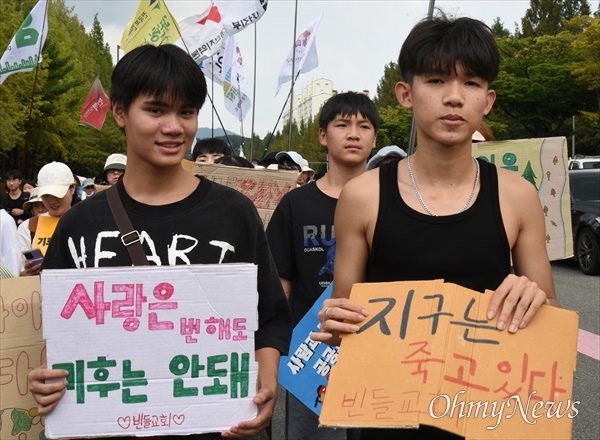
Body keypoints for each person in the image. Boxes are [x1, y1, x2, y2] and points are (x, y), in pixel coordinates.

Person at [312, 14, 559, 440]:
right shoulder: (363, 196)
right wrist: (335, 323)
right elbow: (343, 313)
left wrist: (534, 298)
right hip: (386, 418)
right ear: (406, 94)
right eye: (437, 81)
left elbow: (552, 321)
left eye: (472, 84)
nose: (454, 98)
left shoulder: (517, 195)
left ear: (489, 100)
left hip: (488, 417)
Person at [27, 43, 292, 440]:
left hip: (217, 426)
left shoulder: (235, 213)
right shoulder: (80, 224)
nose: (174, 127)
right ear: (120, 112)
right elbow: (59, 335)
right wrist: (47, 379)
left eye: (186, 112)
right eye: (155, 110)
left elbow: (269, 319)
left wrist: (266, 382)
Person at [266, 91, 380, 440]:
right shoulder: (295, 205)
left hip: (376, 345)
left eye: (364, 126)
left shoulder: (392, 202)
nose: (353, 133)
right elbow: (279, 285)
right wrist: (269, 352)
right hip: (311, 349)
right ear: (322, 135)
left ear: (375, 139)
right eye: (342, 124)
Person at [18, 162, 75, 277]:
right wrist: (26, 274)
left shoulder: (87, 221)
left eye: (58, 194)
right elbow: (17, 271)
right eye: (46, 195)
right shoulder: (29, 226)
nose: (52, 201)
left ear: (72, 188)